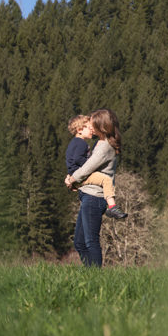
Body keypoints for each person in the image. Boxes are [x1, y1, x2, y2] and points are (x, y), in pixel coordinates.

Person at [64, 109, 122, 267]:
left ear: (102, 127)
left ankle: (95, 275)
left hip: (94, 197)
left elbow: (86, 168)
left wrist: (72, 179)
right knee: (80, 242)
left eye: (93, 125)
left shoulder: (104, 147)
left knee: (90, 242)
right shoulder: (100, 143)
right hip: (88, 194)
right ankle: (91, 273)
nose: (91, 127)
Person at [65, 114, 127, 219]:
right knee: (106, 180)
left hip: (74, 173)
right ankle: (112, 206)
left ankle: (109, 207)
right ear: (80, 130)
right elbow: (78, 159)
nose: (91, 130)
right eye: (89, 128)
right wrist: (90, 163)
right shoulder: (81, 144)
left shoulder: (75, 142)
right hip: (79, 174)